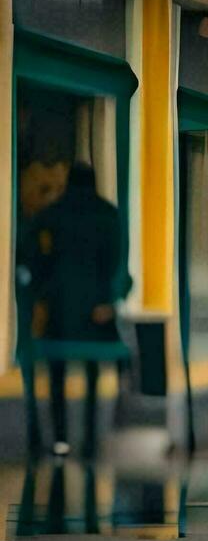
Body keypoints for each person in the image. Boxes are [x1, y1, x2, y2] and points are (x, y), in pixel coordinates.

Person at [19, 163, 126, 458]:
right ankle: (90, 440)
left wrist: (38, 288)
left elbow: (32, 254)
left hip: (59, 307)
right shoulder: (108, 213)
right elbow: (118, 260)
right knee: (92, 373)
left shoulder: (53, 213)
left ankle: (60, 440)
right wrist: (110, 300)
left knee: (57, 373)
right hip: (95, 309)